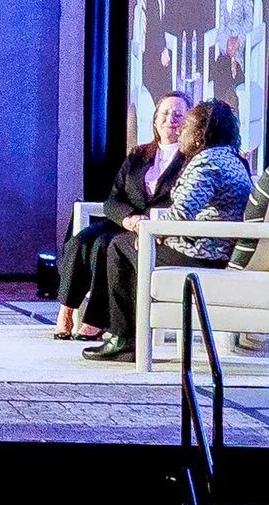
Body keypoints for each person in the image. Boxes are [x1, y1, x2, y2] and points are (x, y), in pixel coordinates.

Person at [88, 99, 256, 361]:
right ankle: (127, 333)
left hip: (204, 253)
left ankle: (125, 340)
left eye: (186, 126)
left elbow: (180, 215)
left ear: (201, 132)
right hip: (211, 245)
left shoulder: (207, 164)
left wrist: (149, 231)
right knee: (129, 244)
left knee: (118, 247)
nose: (181, 132)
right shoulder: (229, 157)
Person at [56, 93, 189, 340]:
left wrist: (148, 223)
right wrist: (128, 218)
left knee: (104, 246)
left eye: (178, 115)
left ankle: (96, 321)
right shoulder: (138, 155)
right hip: (125, 221)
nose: (170, 119)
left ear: (188, 122)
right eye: (165, 114)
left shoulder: (191, 161)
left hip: (154, 228)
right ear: (155, 119)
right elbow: (113, 199)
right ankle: (66, 310)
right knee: (80, 242)